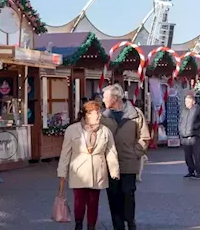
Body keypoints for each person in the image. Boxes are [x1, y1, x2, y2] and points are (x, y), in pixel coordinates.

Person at [58, 101, 120, 230]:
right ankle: (78, 225)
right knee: (79, 201)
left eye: (99, 113)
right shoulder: (72, 129)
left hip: (98, 171)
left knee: (93, 202)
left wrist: (114, 172)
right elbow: (65, 153)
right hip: (79, 171)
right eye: (95, 113)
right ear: (86, 114)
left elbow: (111, 152)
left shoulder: (105, 131)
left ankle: (91, 227)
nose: (98, 116)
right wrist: (62, 173)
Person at [100, 84, 150, 230]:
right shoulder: (103, 116)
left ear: (115, 98)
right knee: (113, 195)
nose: (103, 100)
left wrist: (136, 152)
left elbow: (144, 137)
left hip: (129, 162)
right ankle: (118, 225)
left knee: (128, 194)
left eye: (105, 97)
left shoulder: (135, 114)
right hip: (110, 164)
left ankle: (130, 221)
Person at [179, 93, 200, 179]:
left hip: (194, 136)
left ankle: (199, 172)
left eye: (188, 101)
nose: (186, 103)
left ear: (193, 102)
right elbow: (181, 120)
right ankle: (191, 171)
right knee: (187, 156)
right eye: (185, 101)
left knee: (197, 155)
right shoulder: (184, 110)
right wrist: (180, 129)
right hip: (185, 136)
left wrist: (196, 126)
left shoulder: (198, 109)